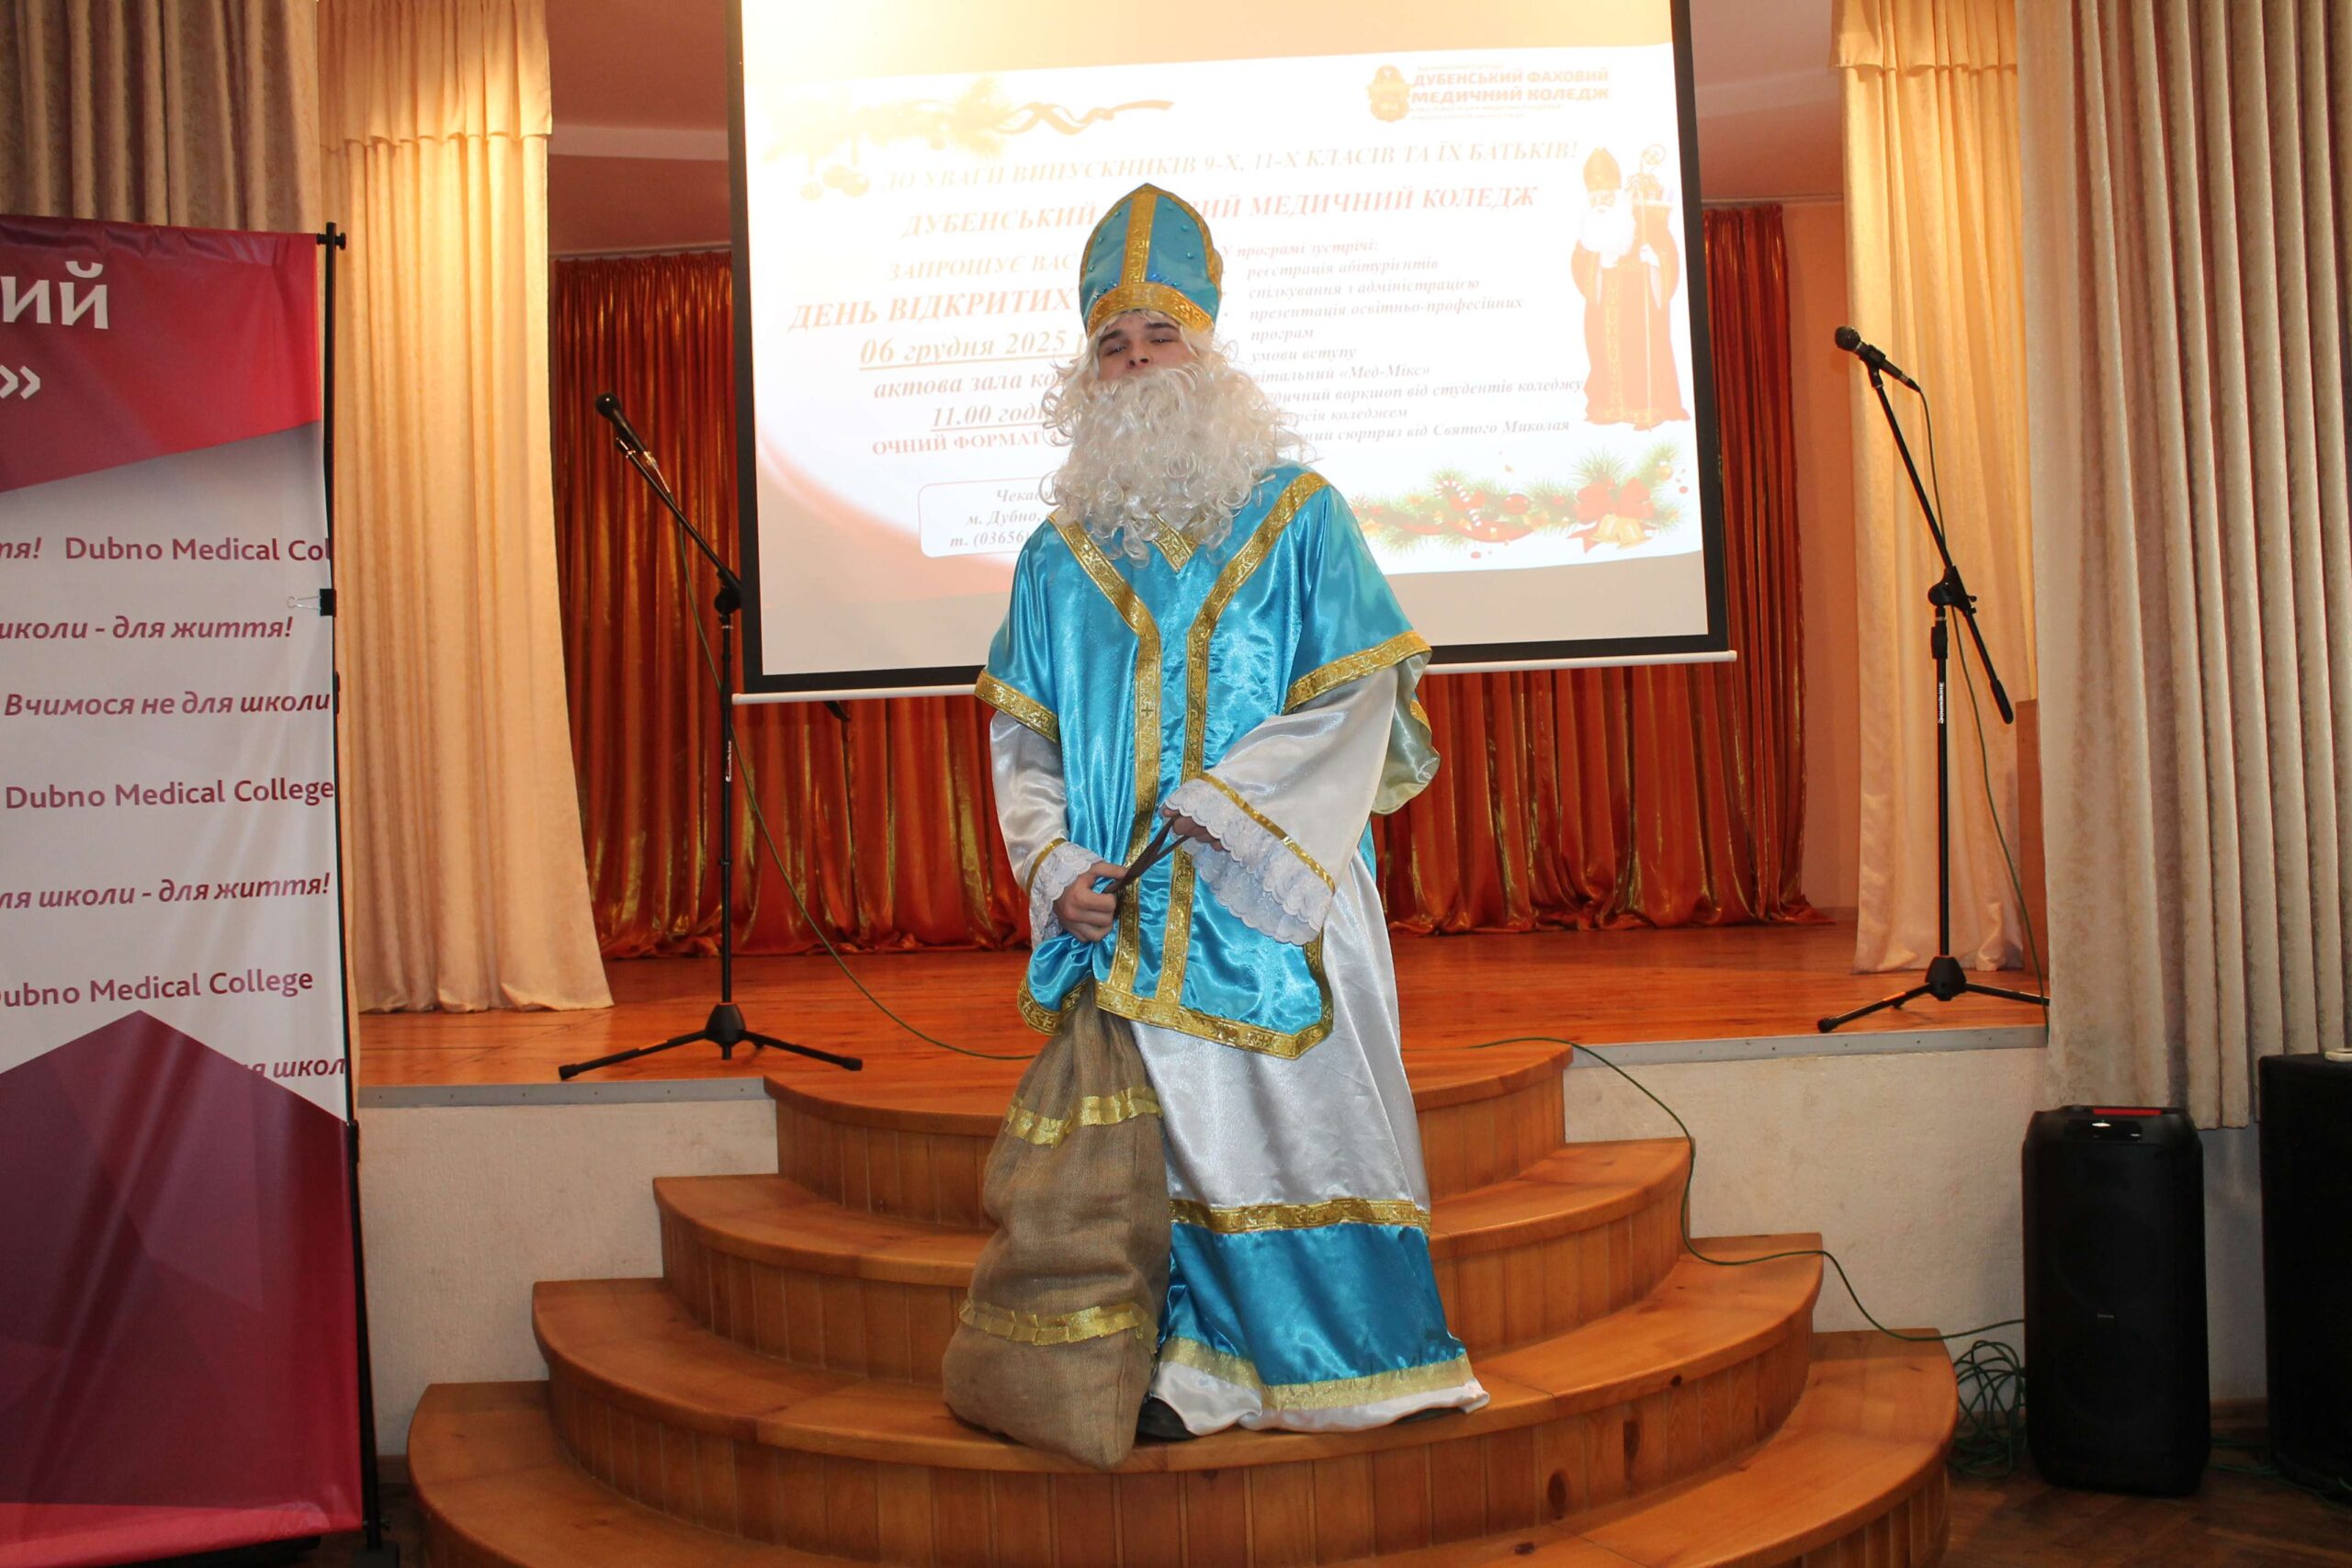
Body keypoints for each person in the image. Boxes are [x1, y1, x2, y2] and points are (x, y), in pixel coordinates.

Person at [975, 184, 1489, 1437]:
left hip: (1276, 896)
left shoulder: (1299, 512)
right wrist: (1053, 863)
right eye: (1114, 343)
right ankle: (1186, 1372)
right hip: (1127, 912)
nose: (1139, 363)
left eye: (1161, 336)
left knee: (1297, 1127)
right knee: (1160, 1151)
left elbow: (1361, 693)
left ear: (1206, 349)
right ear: (1086, 372)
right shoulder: (1055, 556)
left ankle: (1354, 1363)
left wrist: (1233, 802)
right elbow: (1024, 740)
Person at [1569, 145, 1689, 430]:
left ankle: (1645, 408)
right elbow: (1579, 263)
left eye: (1606, 196)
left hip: (1638, 310)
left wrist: (1654, 261)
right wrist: (1599, 264)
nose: (1600, 203)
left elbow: (1667, 254)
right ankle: (1609, 406)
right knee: (1603, 355)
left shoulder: (1644, 222)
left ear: (1618, 195)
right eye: (1595, 198)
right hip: (1602, 314)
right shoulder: (1590, 231)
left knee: (1640, 357)